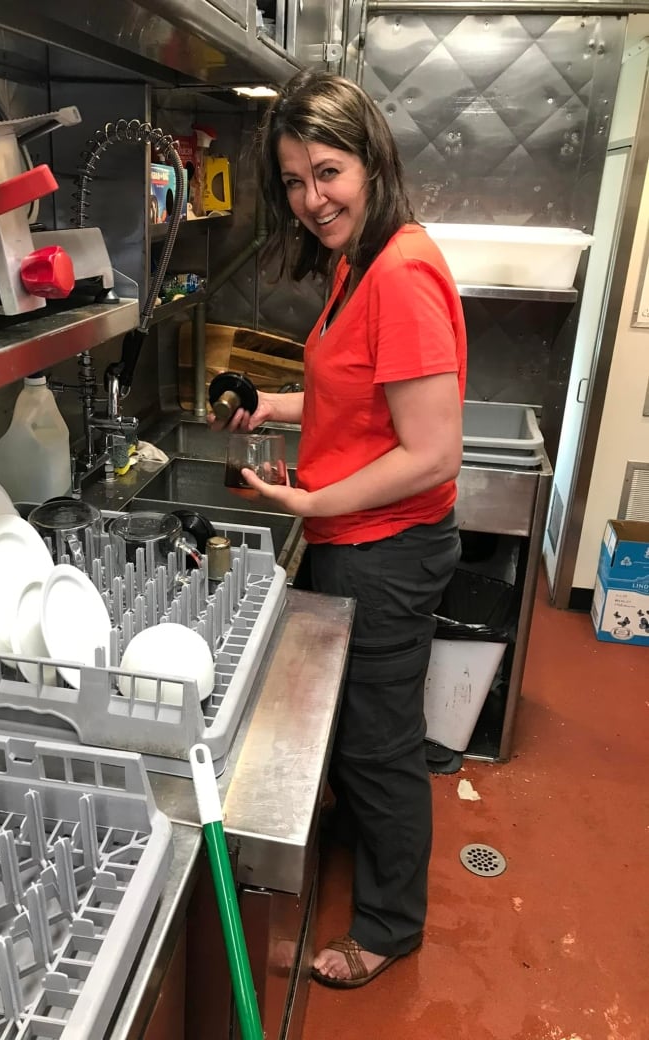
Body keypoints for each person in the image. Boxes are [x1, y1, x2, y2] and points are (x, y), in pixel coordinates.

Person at [210, 69, 467, 989]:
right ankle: (364, 861)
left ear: (370, 160)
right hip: (359, 540)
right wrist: (273, 409)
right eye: (292, 180)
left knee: (379, 744)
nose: (311, 198)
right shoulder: (362, 256)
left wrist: (314, 502)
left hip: (384, 551)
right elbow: (350, 391)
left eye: (328, 171)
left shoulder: (398, 272)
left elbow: (434, 452)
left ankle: (391, 926)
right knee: (362, 727)